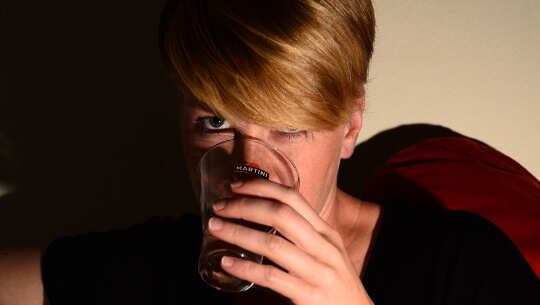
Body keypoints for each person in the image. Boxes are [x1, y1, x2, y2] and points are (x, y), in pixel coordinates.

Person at [1, 0, 539, 304]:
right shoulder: (160, 263)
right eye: (215, 122)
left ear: (350, 123)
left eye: (287, 127)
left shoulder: (461, 264)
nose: (246, 169)